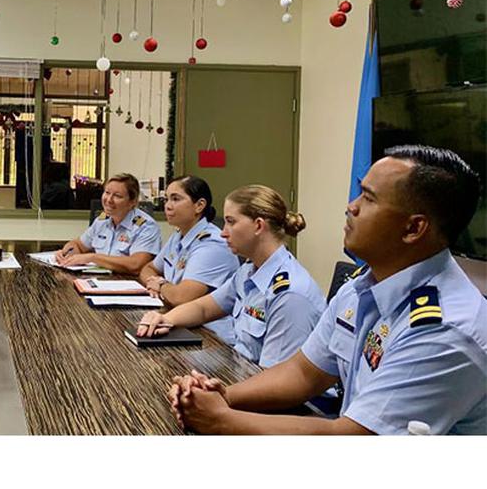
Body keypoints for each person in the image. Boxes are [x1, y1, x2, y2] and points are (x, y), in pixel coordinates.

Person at [168, 146, 486, 435]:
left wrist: (221, 419)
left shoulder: (443, 330)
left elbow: (354, 438)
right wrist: (222, 395)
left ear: (413, 228)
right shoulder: (362, 287)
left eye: (368, 198)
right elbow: (304, 373)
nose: (351, 206)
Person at [138, 184, 326, 369]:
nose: (223, 232)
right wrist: (166, 319)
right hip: (243, 371)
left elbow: (278, 383)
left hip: (270, 390)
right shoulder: (249, 270)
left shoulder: (289, 294)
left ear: (258, 226)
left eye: (231, 222)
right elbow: (204, 308)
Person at [139, 176, 241, 345]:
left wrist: (162, 286)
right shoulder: (179, 236)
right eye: (166, 199)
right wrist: (156, 283)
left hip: (212, 336)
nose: (168, 206)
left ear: (199, 205)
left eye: (175, 199)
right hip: (180, 321)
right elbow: (148, 268)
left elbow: (182, 297)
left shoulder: (212, 243)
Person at [55, 173, 161, 274]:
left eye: (117, 196)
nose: (109, 200)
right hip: (98, 280)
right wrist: (66, 253)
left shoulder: (145, 226)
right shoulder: (102, 220)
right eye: (107, 193)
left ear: (132, 202)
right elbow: (78, 244)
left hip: (129, 284)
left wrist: (92, 257)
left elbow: (136, 265)